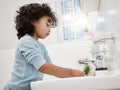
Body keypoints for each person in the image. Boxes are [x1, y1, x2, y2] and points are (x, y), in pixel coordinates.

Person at [3, 3, 85, 90]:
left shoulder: (41, 47)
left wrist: (76, 75)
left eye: (50, 27)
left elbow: (54, 71)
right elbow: (43, 67)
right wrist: (71, 72)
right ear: (33, 21)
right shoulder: (26, 41)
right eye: (47, 25)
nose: (49, 30)